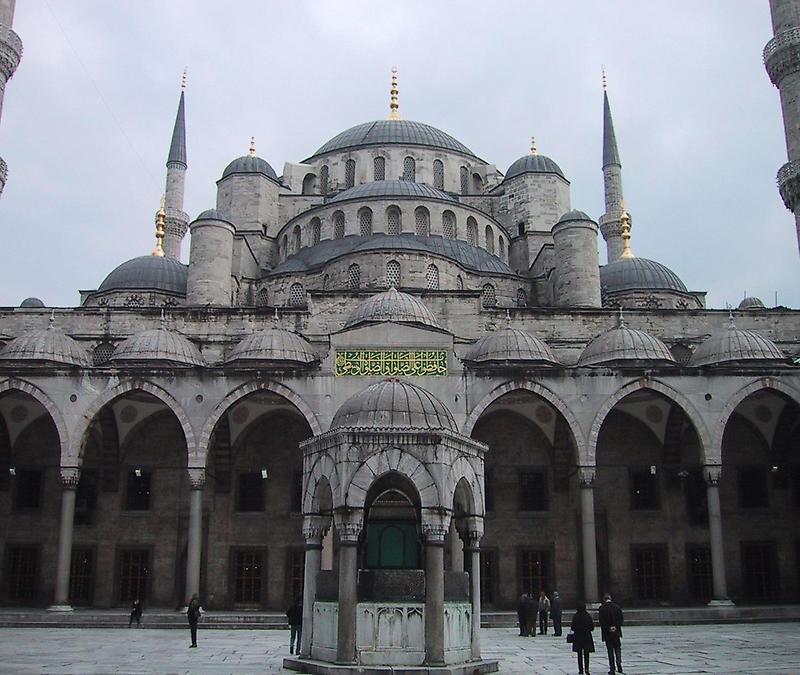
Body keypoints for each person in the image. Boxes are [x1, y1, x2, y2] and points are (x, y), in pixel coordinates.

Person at [598, 592, 624, 674]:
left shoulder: (602, 608)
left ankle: (612, 668)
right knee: (617, 648)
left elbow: (602, 621)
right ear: (610, 598)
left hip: (607, 633)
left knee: (610, 651)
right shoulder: (617, 607)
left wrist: (609, 628)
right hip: (616, 632)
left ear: (604, 599)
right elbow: (621, 619)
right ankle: (619, 665)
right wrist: (616, 627)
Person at [570, 601, 595, 675]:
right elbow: (592, 628)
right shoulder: (588, 616)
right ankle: (587, 669)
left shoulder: (576, 616)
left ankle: (580, 669)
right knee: (586, 654)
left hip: (578, 637)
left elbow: (573, 627)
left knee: (579, 654)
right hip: (587, 636)